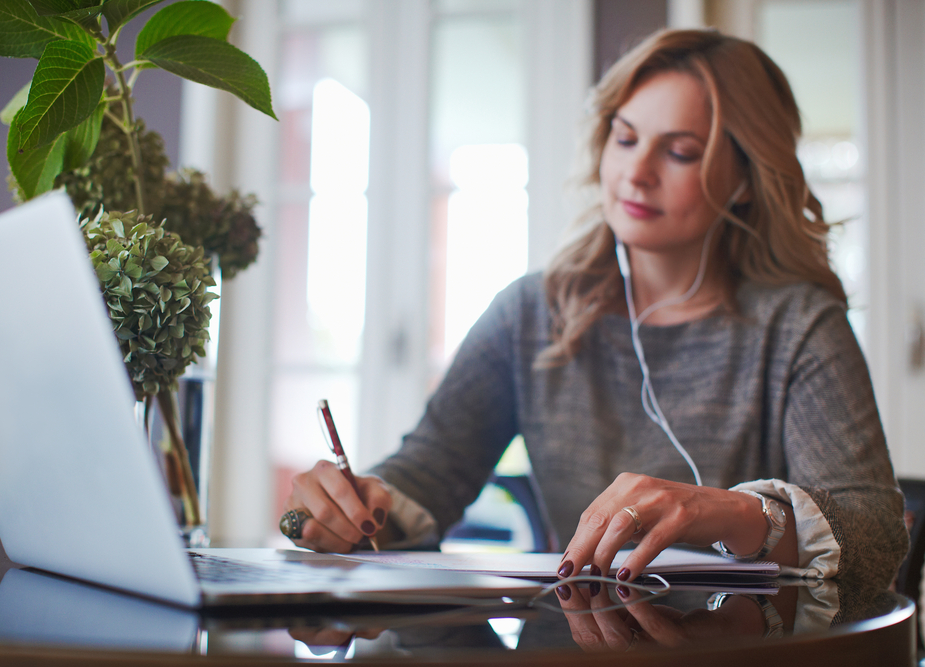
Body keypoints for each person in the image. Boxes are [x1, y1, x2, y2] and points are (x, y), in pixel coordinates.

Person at [282, 29, 909, 595]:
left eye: (681, 152)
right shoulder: (530, 313)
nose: (635, 173)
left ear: (744, 178)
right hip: (574, 643)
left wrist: (725, 512)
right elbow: (428, 473)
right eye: (626, 137)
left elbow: (876, 537)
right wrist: (352, 504)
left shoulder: (799, 326)